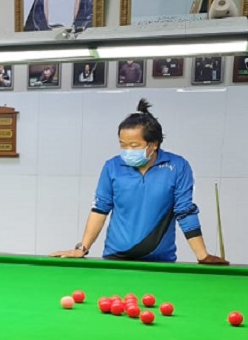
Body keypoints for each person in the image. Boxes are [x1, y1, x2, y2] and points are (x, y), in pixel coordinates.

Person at [51, 99, 227, 265]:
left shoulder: (177, 166)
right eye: (123, 145)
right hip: (116, 257)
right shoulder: (112, 167)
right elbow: (99, 209)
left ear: (154, 144)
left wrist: (202, 255)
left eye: (134, 146)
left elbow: (185, 211)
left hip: (160, 260)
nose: (128, 150)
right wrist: (82, 248)